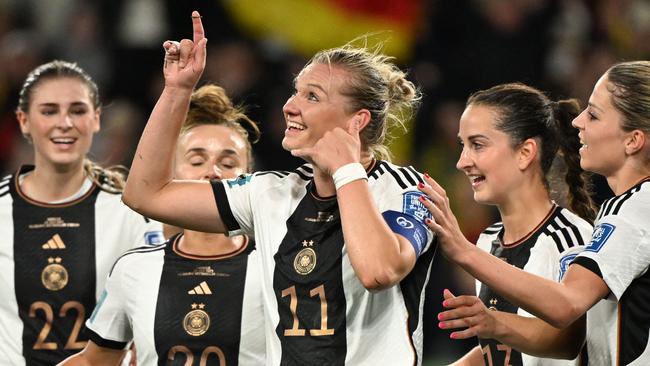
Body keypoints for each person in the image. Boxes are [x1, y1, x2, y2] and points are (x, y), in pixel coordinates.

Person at [122, 11, 436, 365]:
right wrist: (177, 91)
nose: (290, 106)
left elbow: (378, 271)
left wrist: (347, 169)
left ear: (357, 121)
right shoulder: (269, 193)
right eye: (295, 93)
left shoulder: (409, 190)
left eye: (312, 97)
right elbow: (145, 194)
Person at [420, 61, 650, 365]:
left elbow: (567, 312)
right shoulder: (627, 208)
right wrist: (494, 324)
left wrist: (461, 249)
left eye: (593, 114)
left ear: (633, 140)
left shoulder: (632, 211)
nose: (578, 121)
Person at [59, 84, 266, 365]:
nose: (213, 172)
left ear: (248, 177)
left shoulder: (275, 265)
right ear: (170, 172)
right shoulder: (134, 268)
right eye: (197, 160)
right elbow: (94, 360)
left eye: (228, 163)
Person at [0, 60, 164, 365]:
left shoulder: (130, 212)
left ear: (96, 119)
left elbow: (156, 313)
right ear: (23, 121)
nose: (65, 123)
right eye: (49, 111)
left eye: (77, 110)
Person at [424, 83, 596, 365]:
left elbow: (569, 343)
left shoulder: (571, 238)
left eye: (477, 145)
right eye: (462, 145)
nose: (462, 162)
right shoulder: (488, 239)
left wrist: (463, 252)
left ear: (525, 152)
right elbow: (502, 349)